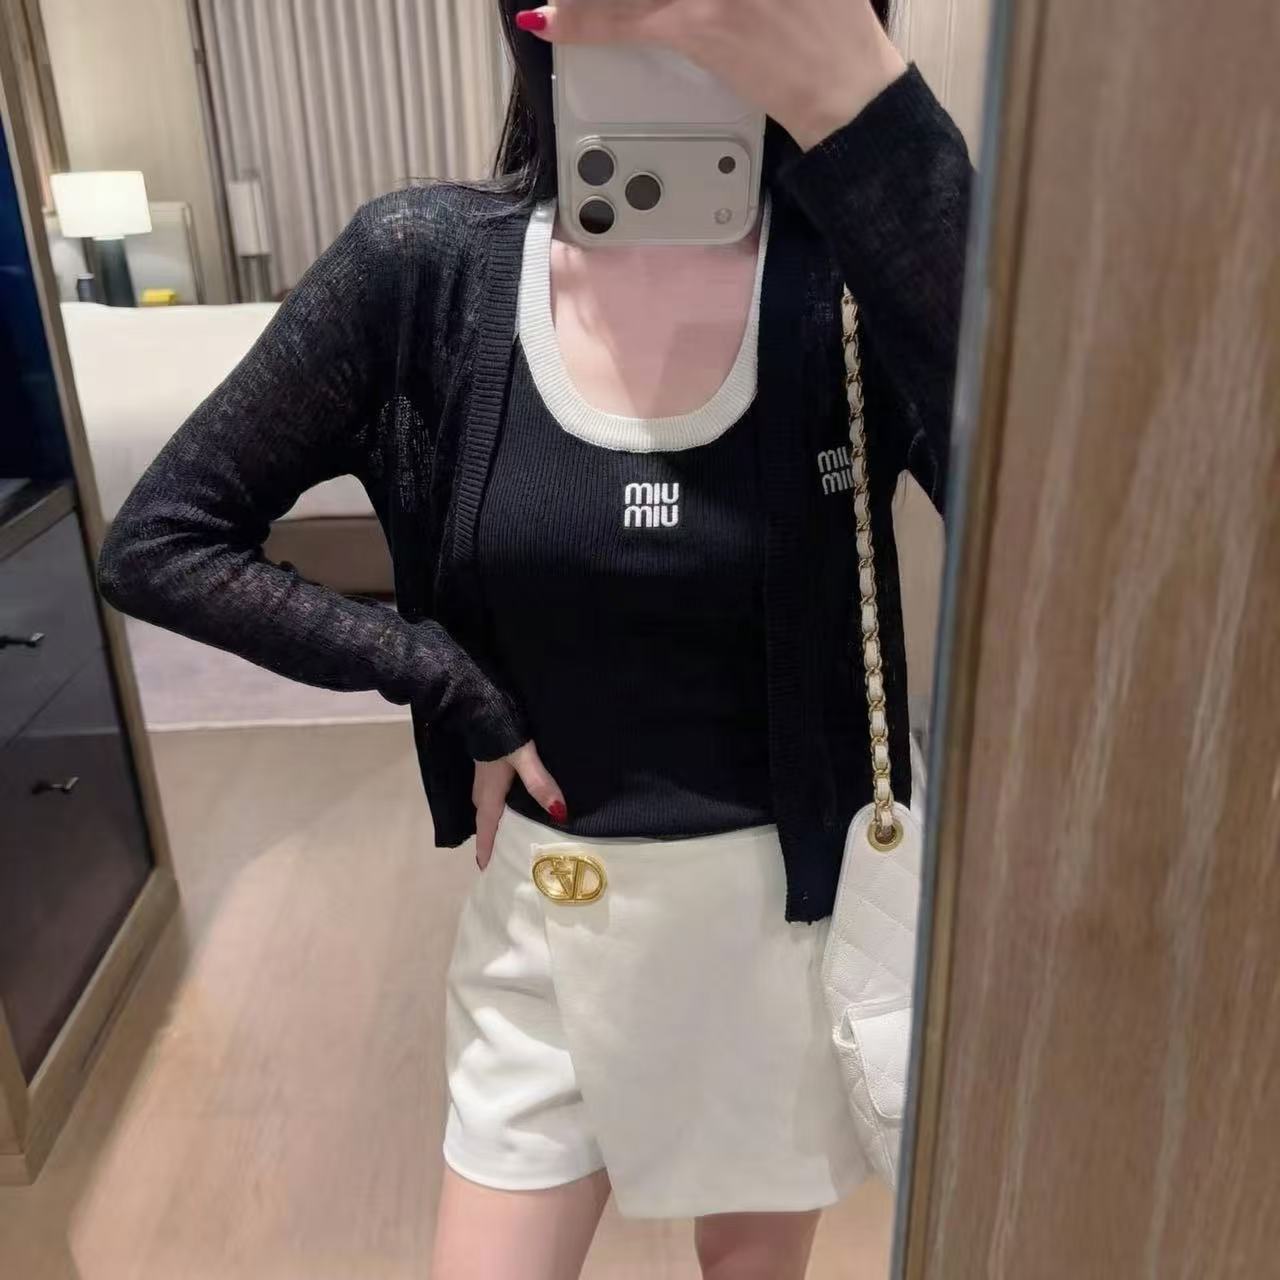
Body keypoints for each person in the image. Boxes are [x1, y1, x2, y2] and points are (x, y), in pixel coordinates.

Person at [97, 1, 971, 1275]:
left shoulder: (851, 283)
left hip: (785, 929)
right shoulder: (424, 268)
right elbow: (160, 541)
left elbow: (1053, 526)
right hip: (546, 927)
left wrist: (870, 108)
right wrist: (442, 677)